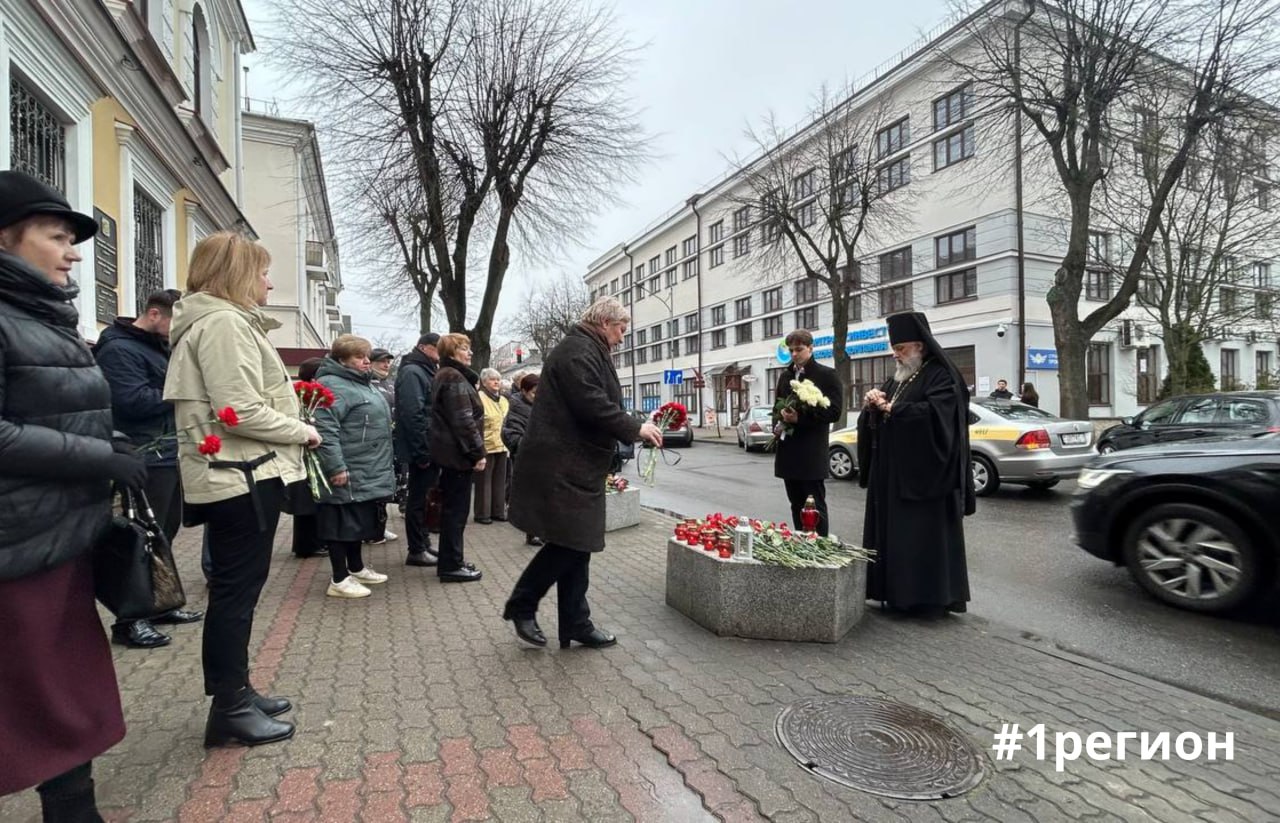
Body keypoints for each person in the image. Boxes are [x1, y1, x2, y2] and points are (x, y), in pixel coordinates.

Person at [0, 170, 147, 820]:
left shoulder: (44, 317)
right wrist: (100, 456)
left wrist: (108, 442)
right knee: (35, 705)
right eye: (57, 235)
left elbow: (57, 410)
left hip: (56, 539)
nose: (74, 249)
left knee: (60, 703)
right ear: (6, 239)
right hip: (15, 550)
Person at [165, 231, 320, 747]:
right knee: (236, 595)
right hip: (241, 475)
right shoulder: (225, 324)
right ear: (235, 275)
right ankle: (230, 706)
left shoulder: (217, 322)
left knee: (239, 592)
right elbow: (241, 411)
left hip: (236, 473)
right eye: (261, 272)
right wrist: (304, 430)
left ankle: (238, 691)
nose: (269, 282)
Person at [504, 297, 663, 649]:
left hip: (573, 464)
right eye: (622, 329)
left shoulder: (585, 347)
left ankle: (575, 622)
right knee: (571, 543)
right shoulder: (578, 350)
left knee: (578, 544)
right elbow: (591, 403)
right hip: (561, 465)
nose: (622, 338)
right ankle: (523, 604)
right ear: (606, 322)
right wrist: (635, 428)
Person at [94, 287, 205, 649]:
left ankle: (158, 605)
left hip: (169, 452)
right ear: (154, 314)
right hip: (144, 454)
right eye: (175, 321)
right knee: (139, 539)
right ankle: (130, 621)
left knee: (164, 534)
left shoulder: (158, 348)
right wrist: (181, 390)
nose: (177, 330)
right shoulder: (118, 349)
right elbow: (129, 401)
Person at [857, 311, 974, 618]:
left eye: (903, 348)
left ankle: (925, 599)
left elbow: (941, 418)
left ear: (921, 346)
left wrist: (894, 410)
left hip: (926, 480)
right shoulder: (897, 378)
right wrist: (873, 407)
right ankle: (892, 592)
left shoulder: (942, 375)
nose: (896, 354)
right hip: (894, 476)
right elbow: (882, 416)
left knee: (920, 542)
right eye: (894, 348)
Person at [312, 335, 396, 598]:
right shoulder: (332, 386)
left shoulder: (362, 384)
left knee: (356, 521)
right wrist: (336, 467)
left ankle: (356, 567)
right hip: (348, 466)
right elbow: (325, 428)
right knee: (340, 522)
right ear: (341, 360)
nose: (366, 361)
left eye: (366, 356)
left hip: (366, 466)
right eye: (359, 357)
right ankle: (339, 578)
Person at [771, 330, 843, 537]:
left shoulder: (826, 375)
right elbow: (777, 407)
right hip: (788, 451)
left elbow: (834, 412)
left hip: (811, 452)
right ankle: (801, 542)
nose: (794, 354)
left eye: (799, 349)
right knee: (796, 504)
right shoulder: (785, 376)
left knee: (814, 505)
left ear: (811, 349)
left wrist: (800, 419)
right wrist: (778, 423)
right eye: (791, 350)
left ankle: (820, 544)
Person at [428, 334, 487, 582]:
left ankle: (451, 560)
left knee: (454, 511)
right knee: (456, 512)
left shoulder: (447, 375)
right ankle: (452, 566)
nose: (469, 353)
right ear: (452, 352)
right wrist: (477, 453)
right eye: (464, 348)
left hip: (451, 453)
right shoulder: (453, 377)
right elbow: (463, 420)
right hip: (457, 455)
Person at [395, 333, 441, 568]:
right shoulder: (413, 372)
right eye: (436, 348)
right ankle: (416, 549)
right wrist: (422, 450)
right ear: (424, 348)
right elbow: (414, 413)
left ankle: (423, 542)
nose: (439, 352)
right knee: (418, 499)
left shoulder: (424, 369)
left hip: (427, 444)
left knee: (424, 498)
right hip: (421, 447)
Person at [291, 357, 328, 559]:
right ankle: (308, 544)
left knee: (311, 498)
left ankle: (310, 542)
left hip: (309, 451)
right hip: (308, 452)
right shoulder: (304, 394)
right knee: (308, 499)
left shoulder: (304, 393)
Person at [501, 373, 543, 547]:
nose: (538, 396)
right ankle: (532, 533)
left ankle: (543, 531)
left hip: (545, 459)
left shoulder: (543, 406)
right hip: (527, 460)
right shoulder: (517, 408)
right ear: (524, 391)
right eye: (534, 393)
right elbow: (511, 436)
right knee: (532, 498)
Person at [367, 347, 398, 543]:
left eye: (388, 361)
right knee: (373, 490)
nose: (386, 365)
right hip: (374, 444)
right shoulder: (367, 383)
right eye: (381, 361)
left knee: (386, 488)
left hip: (392, 442)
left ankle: (380, 525)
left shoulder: (390, 384)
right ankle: (371, 529)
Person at [474, 367, 510, 524]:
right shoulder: (479, 398)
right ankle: (483, 513)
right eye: (492, 379)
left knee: (500, 480)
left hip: (502, 445)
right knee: (484, 482)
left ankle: (498, 511)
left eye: (498, 379)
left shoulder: (504, 400)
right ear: (484, 382)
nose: (496, 382)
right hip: (486, 445)